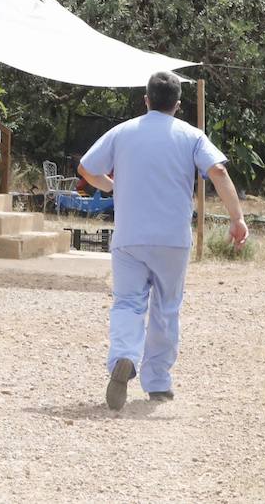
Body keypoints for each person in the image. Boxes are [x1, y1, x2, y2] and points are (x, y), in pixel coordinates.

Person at [77, 70, 248, 411]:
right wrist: (237, 218)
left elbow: (85, 168)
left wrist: (112, 186)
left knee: (127, 303)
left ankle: (124, 356)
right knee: (166, 308)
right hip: (172, 240)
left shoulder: (123, 132)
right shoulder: (191, 136)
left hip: (129, 238)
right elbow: (219, 172)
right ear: (178, 105)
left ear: (146, 99)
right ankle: (157, 382)